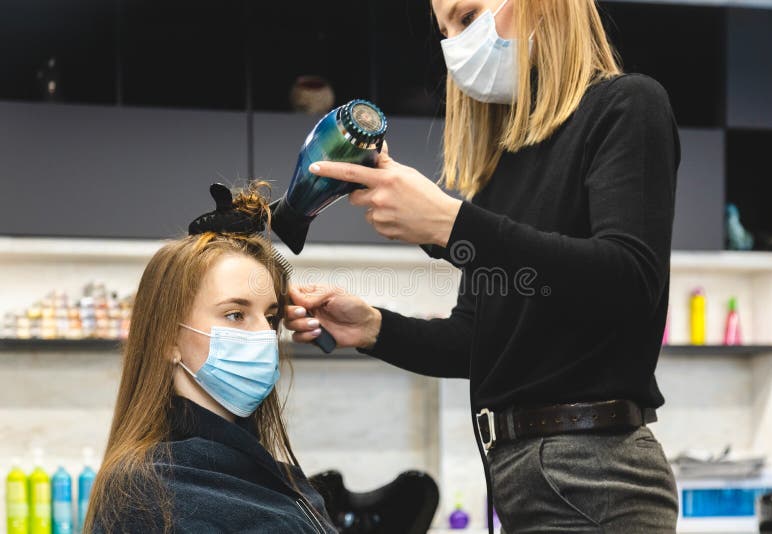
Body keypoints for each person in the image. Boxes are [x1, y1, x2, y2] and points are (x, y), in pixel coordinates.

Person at [285, 0, 681, 532]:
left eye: (467, 17)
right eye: (444, 29)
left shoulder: (627, 106)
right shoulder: (501, 170)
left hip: (595, 478)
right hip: (518, 476)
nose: (455, 46)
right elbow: (480, 341)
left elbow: (630, 280)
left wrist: (453, 225)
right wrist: (374, 328)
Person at [85, 182, 337, 533]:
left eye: (270, 317)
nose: (265, 335)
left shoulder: (270, 475)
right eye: (235, 314)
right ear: (168, 338)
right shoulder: (148, 492)